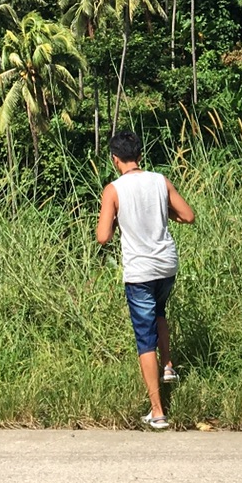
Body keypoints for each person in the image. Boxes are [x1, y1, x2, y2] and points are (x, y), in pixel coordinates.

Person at [95, 129, 194, 429]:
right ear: (140, 155)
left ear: (115, 159)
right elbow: (188, 215)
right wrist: (166, 214)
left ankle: (158, 411)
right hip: (167, 266)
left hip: (140, 272)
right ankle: (168, 366)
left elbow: (102, 238)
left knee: (144, 338)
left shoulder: (113, 190)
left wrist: (114, 219)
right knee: (160, 312)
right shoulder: (160, 181)